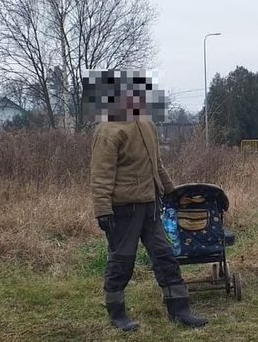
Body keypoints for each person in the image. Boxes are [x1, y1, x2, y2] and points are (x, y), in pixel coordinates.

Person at [88, 70, 208, 331]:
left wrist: (172, 193)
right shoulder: (108, 130)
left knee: (166, 257)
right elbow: (100, 175)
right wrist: (102, 210)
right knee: (122, 262)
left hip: (151, 207)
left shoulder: (147, 125)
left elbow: (158, 165)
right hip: (122, 210)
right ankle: (117, 313)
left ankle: (180, 311)